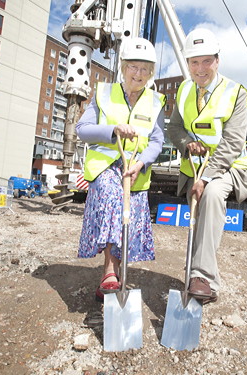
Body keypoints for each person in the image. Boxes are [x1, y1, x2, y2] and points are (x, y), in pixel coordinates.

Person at [167, 28, 247, 304]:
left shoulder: (236, 93)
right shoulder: (184, 89)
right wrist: (186, 144)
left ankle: (203, 276)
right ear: (188, 64)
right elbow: (175, 127)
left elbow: (232, 142)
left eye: (207, 61)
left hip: (230, 167)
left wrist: (205, 177)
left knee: (214, 193)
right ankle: (196, 274)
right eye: (194, 62)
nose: (200, 68)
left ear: (218, 61)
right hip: (194, 167)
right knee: (201, 203)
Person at [76, 37, 166, 301]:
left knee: (128, 220)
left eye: (145, 69)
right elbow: (83, 130)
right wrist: (113, 131)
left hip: (134, 169)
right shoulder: (103, 93)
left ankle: (114, 275)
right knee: (113, 199)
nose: (138, 74)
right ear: (123, 67)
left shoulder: (156, 101)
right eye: (133, 67)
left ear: (151, 73)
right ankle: (109, 272)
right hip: (105, 166)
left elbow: (157, 141)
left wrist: (141, 163)